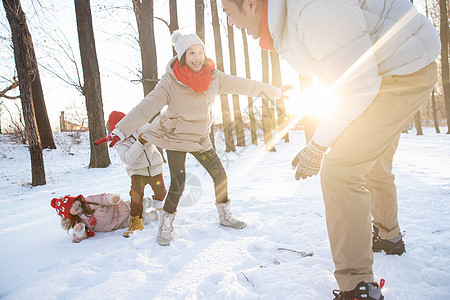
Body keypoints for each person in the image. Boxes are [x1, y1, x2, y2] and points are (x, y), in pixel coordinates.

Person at [221, 0, 440, 298]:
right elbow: (339, 76)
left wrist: (318, 146)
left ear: (248, 4)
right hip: (387, 68)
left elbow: (358, 86)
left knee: (340, 172)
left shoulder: (312, 8)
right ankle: (388, 236)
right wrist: (326, 134)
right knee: (369, 159)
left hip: (403, 69)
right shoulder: (287, 20)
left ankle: (357, 285)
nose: (229, 20)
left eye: (227, 11)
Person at [96, 30, 291, 246]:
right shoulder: (170, 82)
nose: (197, 57)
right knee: (178, 183)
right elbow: (145, 108)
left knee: (220, 176)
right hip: (175, 137)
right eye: (191, 53)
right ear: (182, 56)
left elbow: (244, 85)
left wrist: (275, 92)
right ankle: (166, 225)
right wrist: (120, 130)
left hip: (200, 138)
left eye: (200, 51)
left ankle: (225, 216)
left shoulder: (214, 77)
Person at [107, 111, 167, 238]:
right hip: (137, 171)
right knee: (136, 195)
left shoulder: (141, 126)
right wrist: (140, 143)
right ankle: (136, 220)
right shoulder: (119, 143)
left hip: (155, 167)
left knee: (161, 192)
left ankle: (157, 202)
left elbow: (155, 131)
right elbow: (127, 158)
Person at [51, 193, 158, 243]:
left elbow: (103, 198)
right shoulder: (79, 222)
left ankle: (153, 201)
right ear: (70, 214)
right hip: (121, 222)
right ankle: (156, 215)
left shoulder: (89, 200)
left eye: (74, 202)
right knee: (144, 219)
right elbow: (79, 237)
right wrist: (79, 232)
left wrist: (111, 199)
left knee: (140, 203)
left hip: (122, 206)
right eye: (71, 207)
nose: (75, 205)